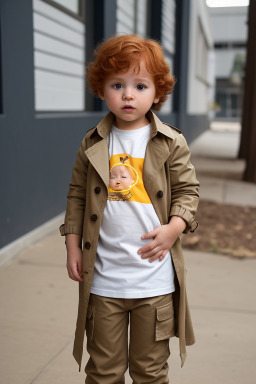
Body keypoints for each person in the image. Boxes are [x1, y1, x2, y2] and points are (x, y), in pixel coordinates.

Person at [59, 34, 199, 383]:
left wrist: (174, 228)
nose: (128, 94)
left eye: (140, 85)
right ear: (102, 88)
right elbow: (77, 195)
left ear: (157, 92)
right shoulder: (93, 143)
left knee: (149, 371)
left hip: (153, 281)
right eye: (117, 84)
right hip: (104, 280)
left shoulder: (171, 142)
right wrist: (72, 245)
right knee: (103, 371)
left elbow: (188, 191)